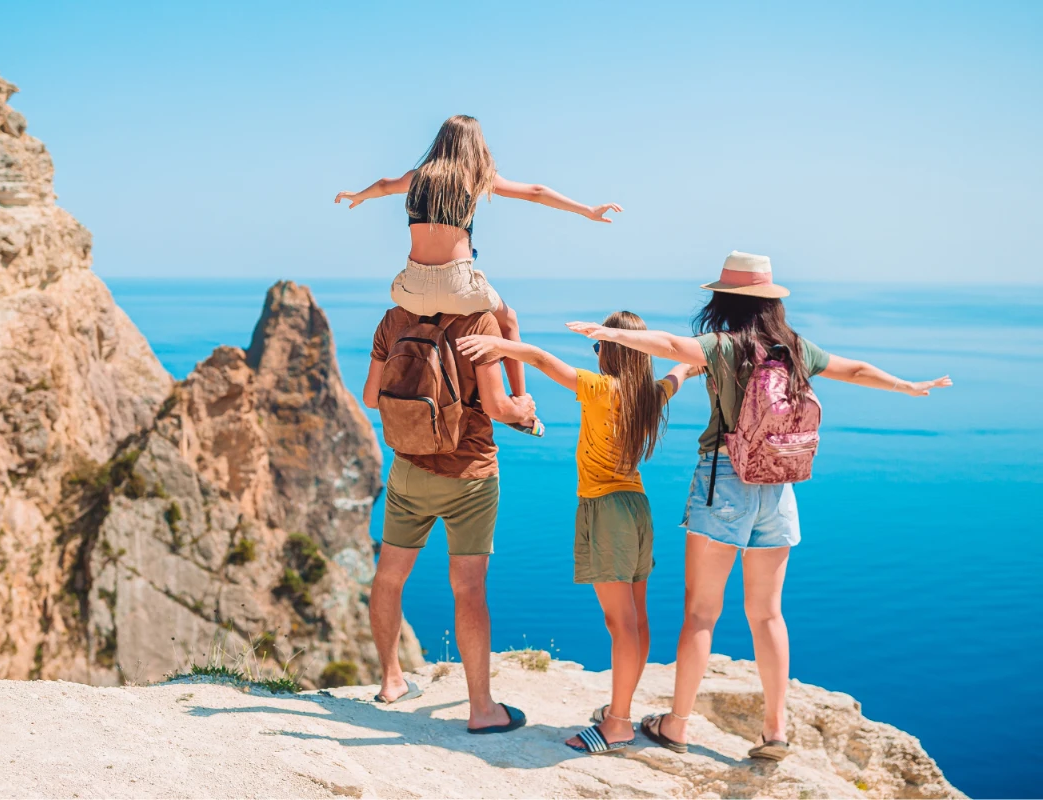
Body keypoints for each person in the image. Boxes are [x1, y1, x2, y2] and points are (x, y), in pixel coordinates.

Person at [567, 251, 952, 761]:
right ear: (771, 301)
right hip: (780, 484)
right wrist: (906, 385)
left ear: (724, 300)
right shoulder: (794, 348)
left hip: (724, 480)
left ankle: (676, 725)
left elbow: (670, 345)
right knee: (768, 614)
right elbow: (854, 369)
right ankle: (775, 732)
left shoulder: (724, 345)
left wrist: (613, 336)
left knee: (701, 613)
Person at [457, 312, 696, 755]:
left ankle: (618, 724)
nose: (596, 354)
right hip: (637, 508)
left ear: (612, 349)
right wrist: (689, 365)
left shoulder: (603, 389)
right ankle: (619, 709)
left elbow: (546, 362)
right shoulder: (650, 395)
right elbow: (676, 375)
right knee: (638, 620)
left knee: (619, 622)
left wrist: (500, 347)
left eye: (599, 346)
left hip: (605, 510)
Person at [337, 113, 622, 437]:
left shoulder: (417, 177)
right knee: (509, 319)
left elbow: (386, 186)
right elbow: (535, 190)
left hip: (411, 286)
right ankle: (521, 405)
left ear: (440, 143)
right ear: (475, 146)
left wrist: (359, 195)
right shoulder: (474, 177)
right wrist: (587, 210)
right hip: (457, 285)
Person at [362, 303, 536, 733]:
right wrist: (524, 408)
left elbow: (370, 397)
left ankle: (391, 681)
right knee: (469, 588)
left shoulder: (394, 319)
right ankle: (481, 709)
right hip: (469, 475)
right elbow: (497, 406)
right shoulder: (478, 323)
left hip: (409, 469)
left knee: (389, 576)